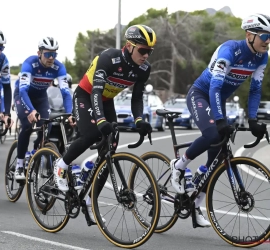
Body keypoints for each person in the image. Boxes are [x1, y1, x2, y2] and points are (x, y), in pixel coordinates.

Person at [170, 13, 270, 228]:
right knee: (213, 134)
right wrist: (220, 119)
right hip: (201, 94)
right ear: (250, 35)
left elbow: (255, 90)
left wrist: (252, 120)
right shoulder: (230, 50)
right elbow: (215, 86)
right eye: (265, 36)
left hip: (219, 99)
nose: (268, 41)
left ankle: (195, 204)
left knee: (215, 159)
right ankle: (179, 166)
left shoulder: (262, 57)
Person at [53, 24, 156, 223]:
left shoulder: (144, 68)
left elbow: (137, 98)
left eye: (149, 52)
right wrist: (100, 121)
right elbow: (96, 92)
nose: (146, 56)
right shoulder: (109, 58)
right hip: (86, 95)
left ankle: (91, 201)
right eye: (143, 50)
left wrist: (140, 120)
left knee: (111, 148)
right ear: (129, 45)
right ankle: (61, 164)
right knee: (91, 134)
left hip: (107, 101)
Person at [14, 37, 72, 180]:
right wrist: (31, 110)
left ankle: (34, 152)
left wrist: (70, 113)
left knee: (47, 125)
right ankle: (19, 165)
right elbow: (23, 91)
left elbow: (65, 92)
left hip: (41, 98)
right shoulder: (30, 63)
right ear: (39, 53)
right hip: (24, 96)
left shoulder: (59, 67)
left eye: (54, 54)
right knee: (27, 125)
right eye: (47, 54)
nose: (51, 58)